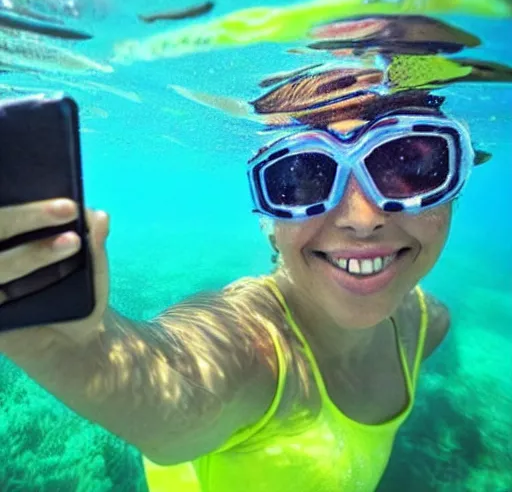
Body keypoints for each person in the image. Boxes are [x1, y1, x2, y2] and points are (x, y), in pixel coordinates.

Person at [0, 63, 488, 492]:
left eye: (410, 166)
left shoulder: (427, 323)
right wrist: (76, 348)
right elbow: (176, 390)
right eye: (301, 178)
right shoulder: (253, 348)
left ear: (457, 181)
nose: (362, 218)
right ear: (270, 224)